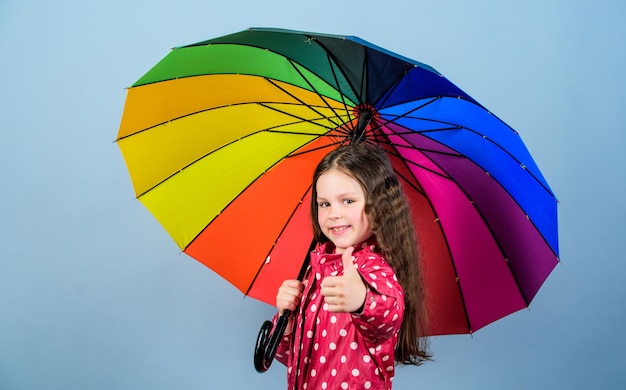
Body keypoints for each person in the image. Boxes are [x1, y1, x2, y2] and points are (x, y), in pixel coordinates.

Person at [273, 143, 431, 390]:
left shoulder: (375, 267)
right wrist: (286, 321)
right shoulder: (315, 268)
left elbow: (389, 315)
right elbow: (293, 360)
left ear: (378, 204)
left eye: (347, 201)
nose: (334, 213)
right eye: (324, 204)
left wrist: (363, 301)